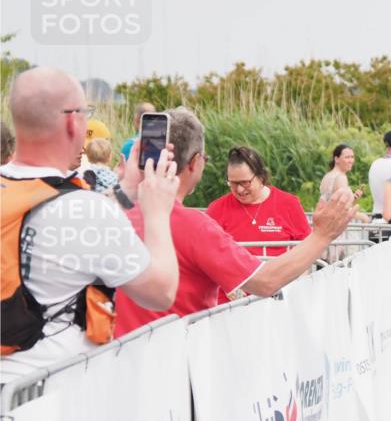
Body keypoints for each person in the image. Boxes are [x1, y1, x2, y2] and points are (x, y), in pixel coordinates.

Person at [0, 67, 180, 384]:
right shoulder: (88, 211)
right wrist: (157, 212)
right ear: (73, 121)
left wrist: (127, 189)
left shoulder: (22, 191)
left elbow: (69, 218)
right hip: (44, 396)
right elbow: (161, 292)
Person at [113, 108, 357, 337]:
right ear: (195, 162)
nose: (239, 190)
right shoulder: (195, 226)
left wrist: (124, 187)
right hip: (178, 355)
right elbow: (266, 281)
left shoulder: (112, 213)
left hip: (116, 356)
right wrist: (322, 235)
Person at [206, 146, 311, 257]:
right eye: (233, 183)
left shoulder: (288, 204)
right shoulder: (217, 209)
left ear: (261, 177)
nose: (239, 189)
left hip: (279, 268)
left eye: (245, 182)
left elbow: (307, 250)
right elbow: (206, 252)